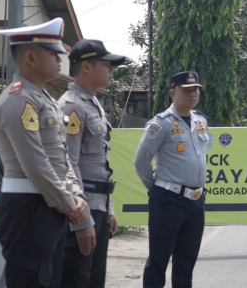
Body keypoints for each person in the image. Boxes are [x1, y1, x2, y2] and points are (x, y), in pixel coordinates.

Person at [0, 18, 91, 288]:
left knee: (49, 280)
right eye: (53, 53)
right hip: (27, 207)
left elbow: (62, 156)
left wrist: (72, 192)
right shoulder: (19, 99)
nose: (61, 59)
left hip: (48, 204)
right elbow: (35, 166)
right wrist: (71, 204)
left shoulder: (43, 98)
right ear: (31, 57)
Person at [134, 71, 212, 288]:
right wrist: (156, 188)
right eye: (186, 90)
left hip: (196, 201)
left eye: (195, 89)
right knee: (158, 261)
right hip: (168, 199)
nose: (192, 94)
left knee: (186, 263)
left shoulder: (201, 120)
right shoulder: (160, 124)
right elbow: (141, 161)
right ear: (172, 93)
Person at [59, 39, 126, 287]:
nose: (112, 70)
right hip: (81, 208)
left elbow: (99, 163)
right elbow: (68, 163)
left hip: (98, 205)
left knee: (94, 280)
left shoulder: (92, 102)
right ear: (86, 67)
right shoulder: (72, 106)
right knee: (78, 278)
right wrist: (82, 217)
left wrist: (108, 210)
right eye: (107, 65)